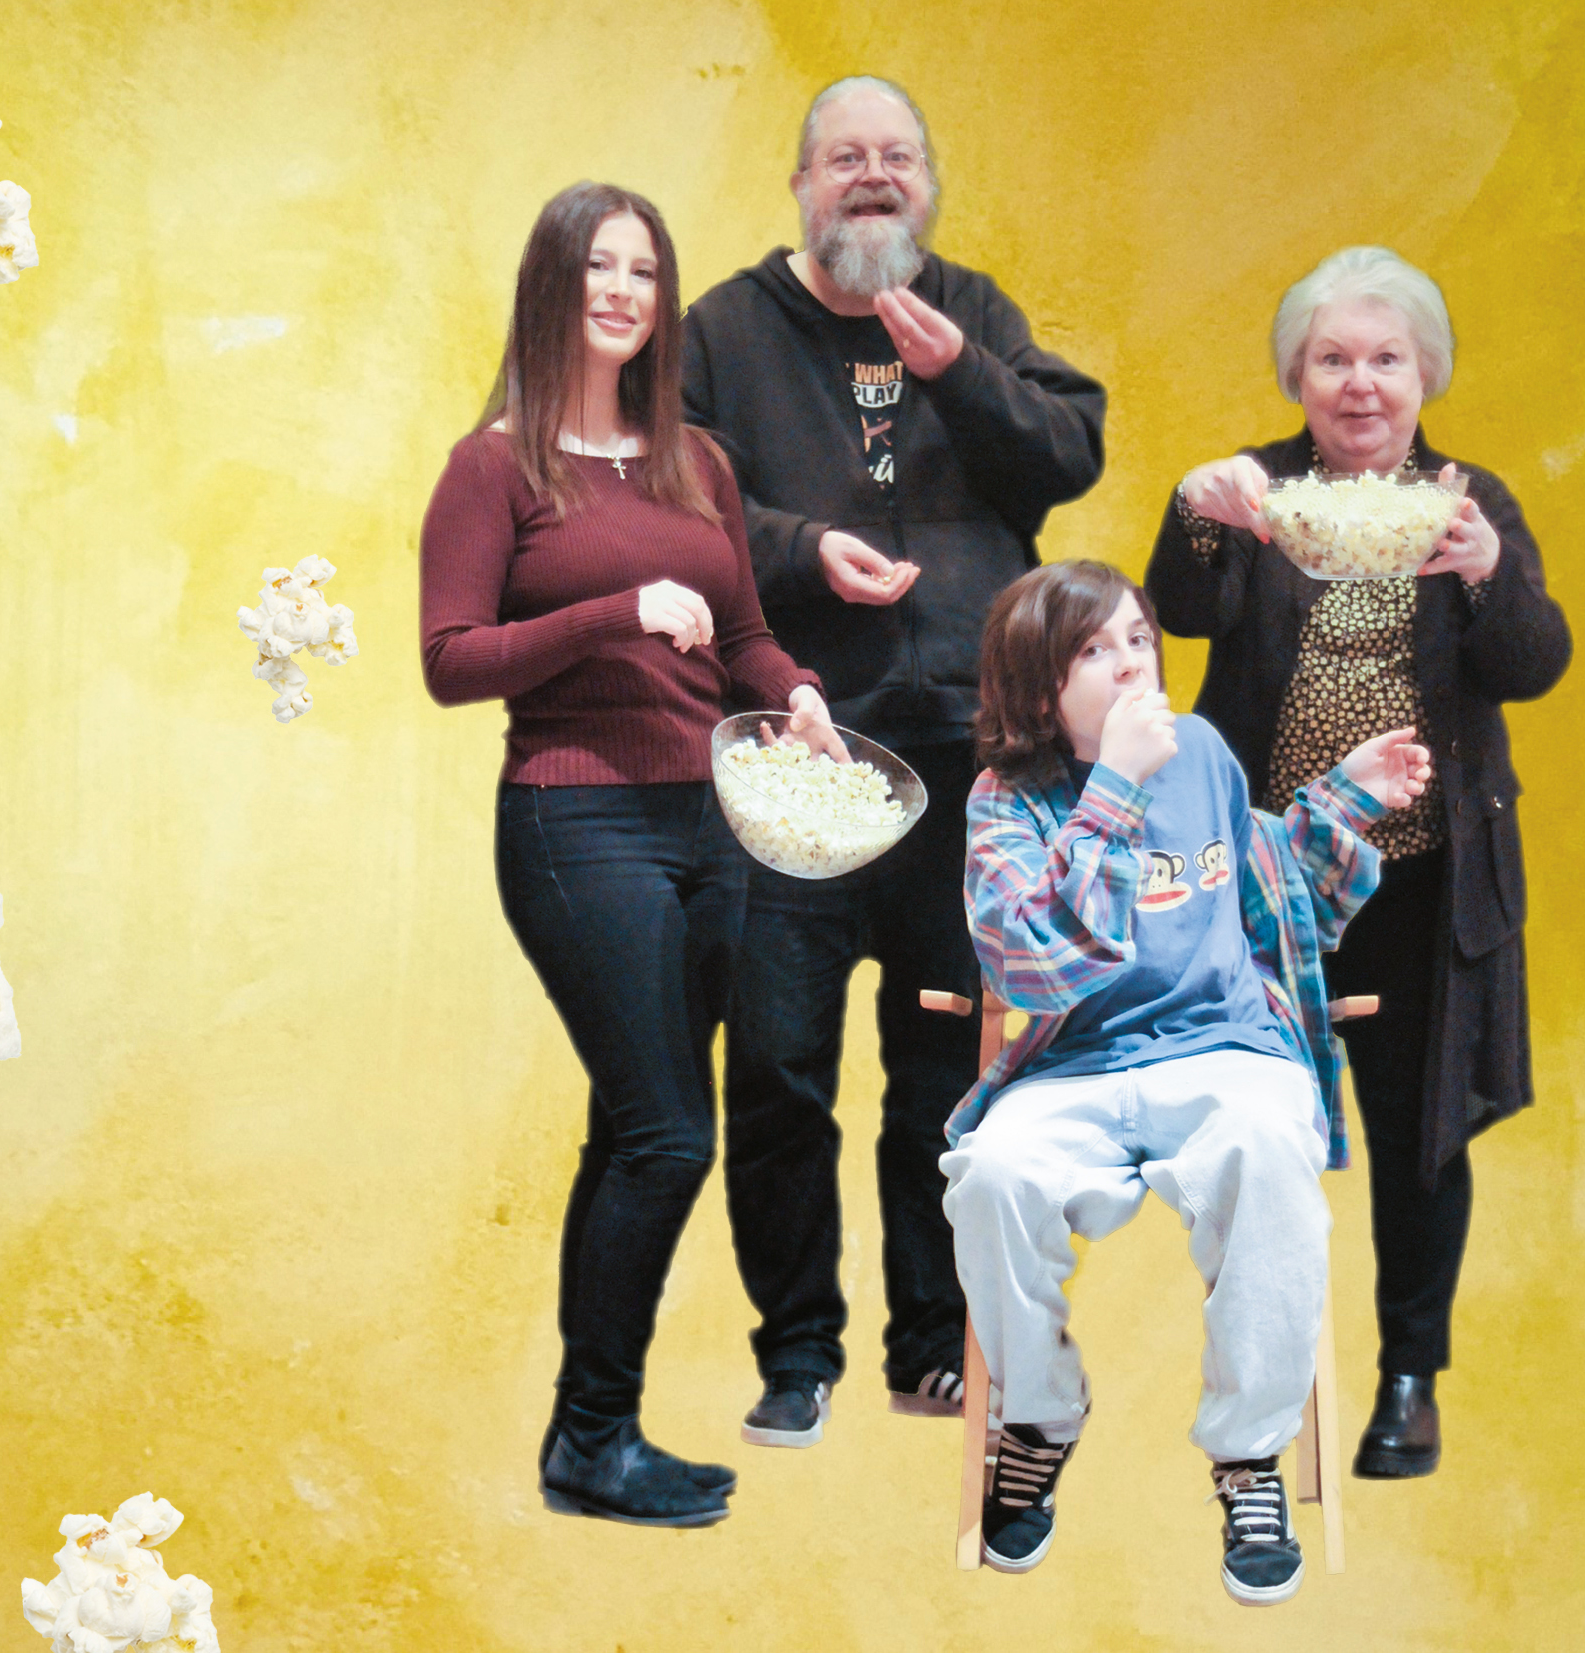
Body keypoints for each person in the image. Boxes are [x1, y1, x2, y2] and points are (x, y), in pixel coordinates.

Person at [681, 74, 1107, 1446]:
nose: (874, 177)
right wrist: (804, 551)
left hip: (967, 768)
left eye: (899, 157)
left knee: (945, 1069)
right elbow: (671, 507)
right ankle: (796, 1351)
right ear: (802, 185)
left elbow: (1067, 454)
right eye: (846, 157)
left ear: (927, 184)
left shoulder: (973, 311)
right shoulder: (723, 331)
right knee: (778, 1069)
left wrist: (959, 374)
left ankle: (931, 1344)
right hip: (798, 760)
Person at [420, 182, 842, 1528]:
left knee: (625, 1129)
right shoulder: (494, 466)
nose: (621, 291)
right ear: (551, 288)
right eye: (597, 267)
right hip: (577, 821)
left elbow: (744, 635)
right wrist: (612, 612)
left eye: (644, 272)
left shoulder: (694, 463)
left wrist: (797, 694)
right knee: (668, 1135)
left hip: (712, 823)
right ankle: (594, 1438)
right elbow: (450, 661)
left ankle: (585, 1439)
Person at [1144, 245, 1571, 1482]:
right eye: (1331, 359)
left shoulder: (1466, 501)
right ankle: (1258, 1379)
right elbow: (1181, 610)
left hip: (1420, 876)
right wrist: (1193, 511)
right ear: (1297, 376)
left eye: (1386, 358)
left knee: (1419, 1135)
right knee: (1251, 1132)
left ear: (1424, 373)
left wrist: (1487, 574)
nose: (1359, 383)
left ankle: (1407, 1379)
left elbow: (1531, 664)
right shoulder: (1256, 490)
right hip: (1268, 877)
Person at [942, 559, 1432, 1605]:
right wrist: (1114, 791)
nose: (1132, 665)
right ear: (1038, 689)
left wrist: (1348, 795)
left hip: (1225, 1047)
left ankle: (1250, 1455)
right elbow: (1030, 966)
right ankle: (1038, 1417)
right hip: (1075, 1065)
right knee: (990, 1177)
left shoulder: (1200, 751)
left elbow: (1267, 875)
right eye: (1094, 650)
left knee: (1270, 1151)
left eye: (1138, 638)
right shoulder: (1006, 802)